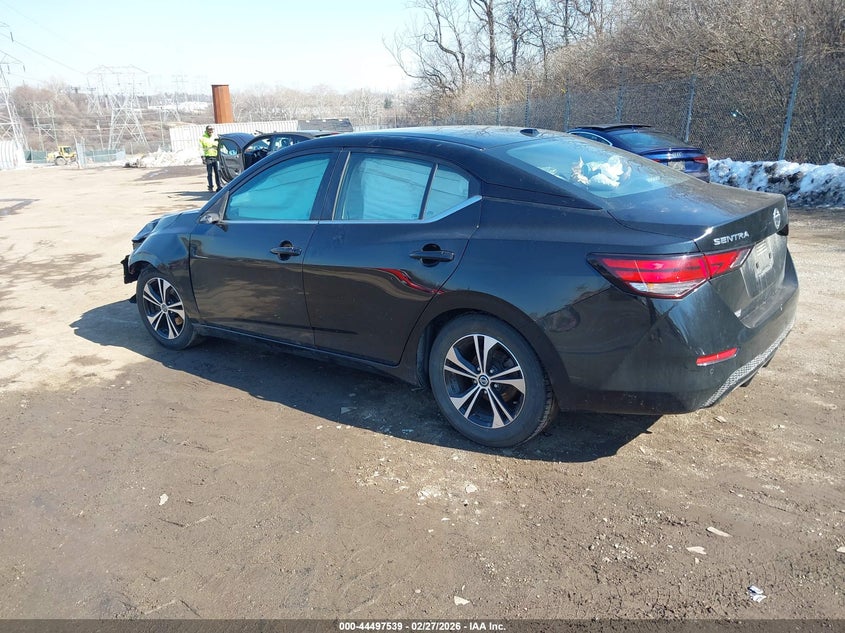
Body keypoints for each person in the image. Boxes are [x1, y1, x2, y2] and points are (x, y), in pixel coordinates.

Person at [199, 125, 221, 191]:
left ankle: (219, 186)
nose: (211, 131)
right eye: (209, 130)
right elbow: (200, 148)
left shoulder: (215, 137)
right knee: (209, 173)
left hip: (216, 157)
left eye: (212, 130)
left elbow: (220, 146)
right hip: (208, 157)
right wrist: (202, 157)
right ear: (206, 130)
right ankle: (210, 187)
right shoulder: (202, 138)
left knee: (217, 172)